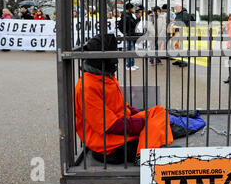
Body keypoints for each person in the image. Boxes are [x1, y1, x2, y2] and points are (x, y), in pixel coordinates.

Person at [74, 34, 173, 165]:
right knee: (153, 125)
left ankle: (152, 143)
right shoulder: (86, 86)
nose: (116, 61)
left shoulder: (106, 77)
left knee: (159, 111)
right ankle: (144, 157)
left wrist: (140, 114)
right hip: (107, 143)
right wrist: (143, 123)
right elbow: (110, 126)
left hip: (122, 124)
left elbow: (122, 106)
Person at [118, 3, 141, 71]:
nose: (133, 9)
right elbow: (133, 24)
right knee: (130, 49)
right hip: (129, 35)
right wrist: (125, 33)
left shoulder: (129, 15)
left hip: (131, 34)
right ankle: (128, 65)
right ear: (129, 9)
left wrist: (137, 19)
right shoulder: (126, 16)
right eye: (132, 8)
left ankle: (132, 64)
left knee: (132, 49)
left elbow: (134, 24)